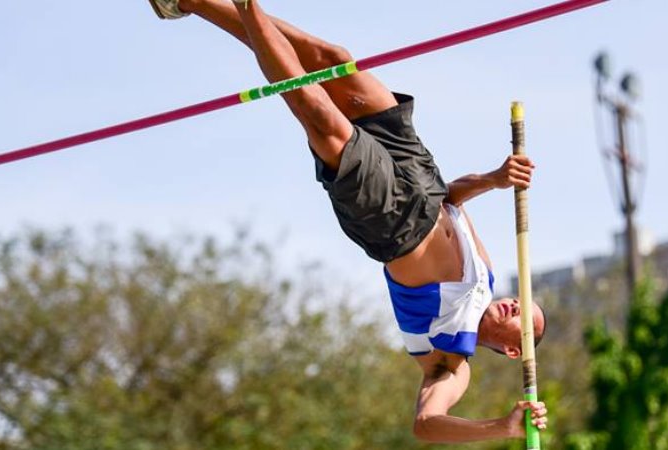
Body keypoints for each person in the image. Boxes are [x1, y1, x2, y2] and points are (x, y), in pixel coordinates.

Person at [148, 0, 548, 443]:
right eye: (522, 300)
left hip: (390, 218)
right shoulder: (485, 280)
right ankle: (187, 2)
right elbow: (451, 200)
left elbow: (426, 425)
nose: (515, 303)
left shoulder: (451, 361)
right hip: (421, 175)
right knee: (333, 60)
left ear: (514, 350)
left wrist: (504, 427)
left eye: (522, 318)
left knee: (316, 108)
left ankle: (247, 3)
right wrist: (494, 178)